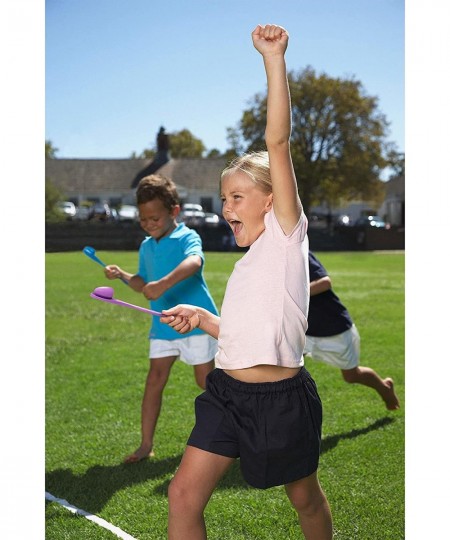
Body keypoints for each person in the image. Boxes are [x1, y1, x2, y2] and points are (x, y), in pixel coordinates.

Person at [161, 24, 333, 540]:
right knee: (182, 495)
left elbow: (276, 142)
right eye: (224, 198)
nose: (226, 207)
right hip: (227, 395)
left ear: (270, 200)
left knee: (304, 500)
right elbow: (247, 333)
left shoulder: (286, 236)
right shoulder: (248, 263)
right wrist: (205, 319)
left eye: (238, 197)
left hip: (282, 403)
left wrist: (273, 60)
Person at [104, 174, 218, 463]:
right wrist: (122, 276)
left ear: (174, 212)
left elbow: (195, 263)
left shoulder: (187, 236)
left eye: (154, 218)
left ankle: (235, 434)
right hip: (163, 326)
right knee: (154, 380)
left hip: (195, 323)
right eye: (143, 219)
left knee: (206, 382)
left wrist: (163, 284)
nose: (149, 224)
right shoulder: (146, 246)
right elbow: (143, 283)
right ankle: (145, 446)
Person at [305, 250, 400, 410]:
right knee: (286, 368)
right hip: (303, 329)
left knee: (352, 375)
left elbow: (325, 282)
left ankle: (384, 388)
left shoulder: (297, 250)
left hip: (333, 327)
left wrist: (294, 295)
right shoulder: (264, 256)